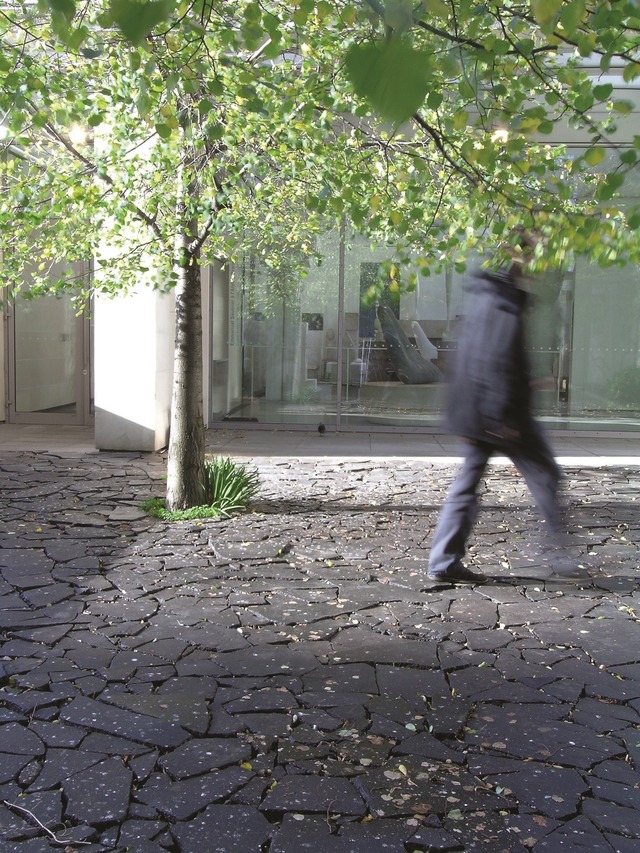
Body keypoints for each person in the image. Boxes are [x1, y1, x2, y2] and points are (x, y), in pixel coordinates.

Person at [427, 242, 577, 584]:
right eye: (532, 251)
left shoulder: (486, 295)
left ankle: (443, 561)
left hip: (480, 410)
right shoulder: (504, 301)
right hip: (500, 415)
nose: (537, 260)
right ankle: (559, 557)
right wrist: (501, 419)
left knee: (468, 484)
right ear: (516, 257)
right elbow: (493, 361)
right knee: (545, 476)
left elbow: (479, 358)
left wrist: (526, 384)